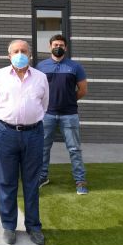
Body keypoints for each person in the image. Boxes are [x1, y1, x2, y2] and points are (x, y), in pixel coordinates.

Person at [0, 39, 48, 245]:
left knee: (32, 181)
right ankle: (9, 226)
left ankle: (33, 226)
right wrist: (9, 120)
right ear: (8, 55)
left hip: (34, 133)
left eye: (23, 51)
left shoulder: (40, 77)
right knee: (6, 181)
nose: (20, 54)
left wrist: (29, 119)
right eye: (16, 51)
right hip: (6, 133)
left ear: (30, 54)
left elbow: (44, 104)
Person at [36, 34, 89, 195]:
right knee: (43, 148)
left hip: (69, 114)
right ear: (50, 46)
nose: (58, 47)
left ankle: (80, 181)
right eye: (55, 44)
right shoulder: (41, 66)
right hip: (47, 114)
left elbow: (82, 90)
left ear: (65, 48)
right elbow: (37, 89)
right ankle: (42, 176)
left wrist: (68, 101)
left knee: (74, 149)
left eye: (61, 44)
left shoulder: (75, 67)